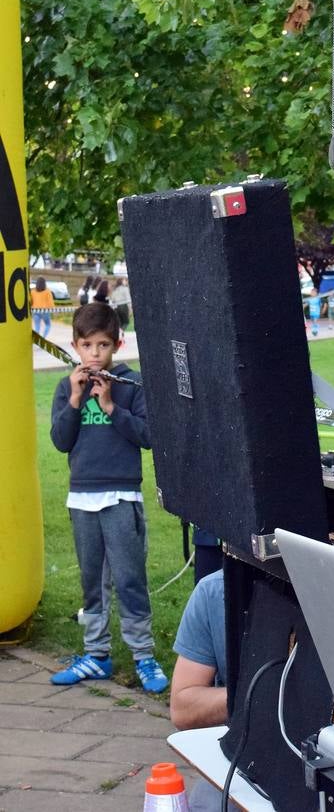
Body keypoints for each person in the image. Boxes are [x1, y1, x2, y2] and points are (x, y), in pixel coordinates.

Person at [49, 303, 168, 692]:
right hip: (82, 497)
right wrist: (74, 400)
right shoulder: (68, 387)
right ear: (76, 346)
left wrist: (111, 407)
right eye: (87, 345)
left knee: (129, 578)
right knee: (91, 581)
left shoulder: (130, 384)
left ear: (117, 343)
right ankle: (96, 654)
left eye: (103, 345)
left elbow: (149, 437)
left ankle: (144, 655)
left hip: (120, 495)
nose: (95, 354)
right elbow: (61, 440)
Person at [169, 568, 237, 811]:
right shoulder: (215, 591)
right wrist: (255, 695)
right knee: (207, 804)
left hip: (333, 757)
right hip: (249, 756)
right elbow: (183, 706)